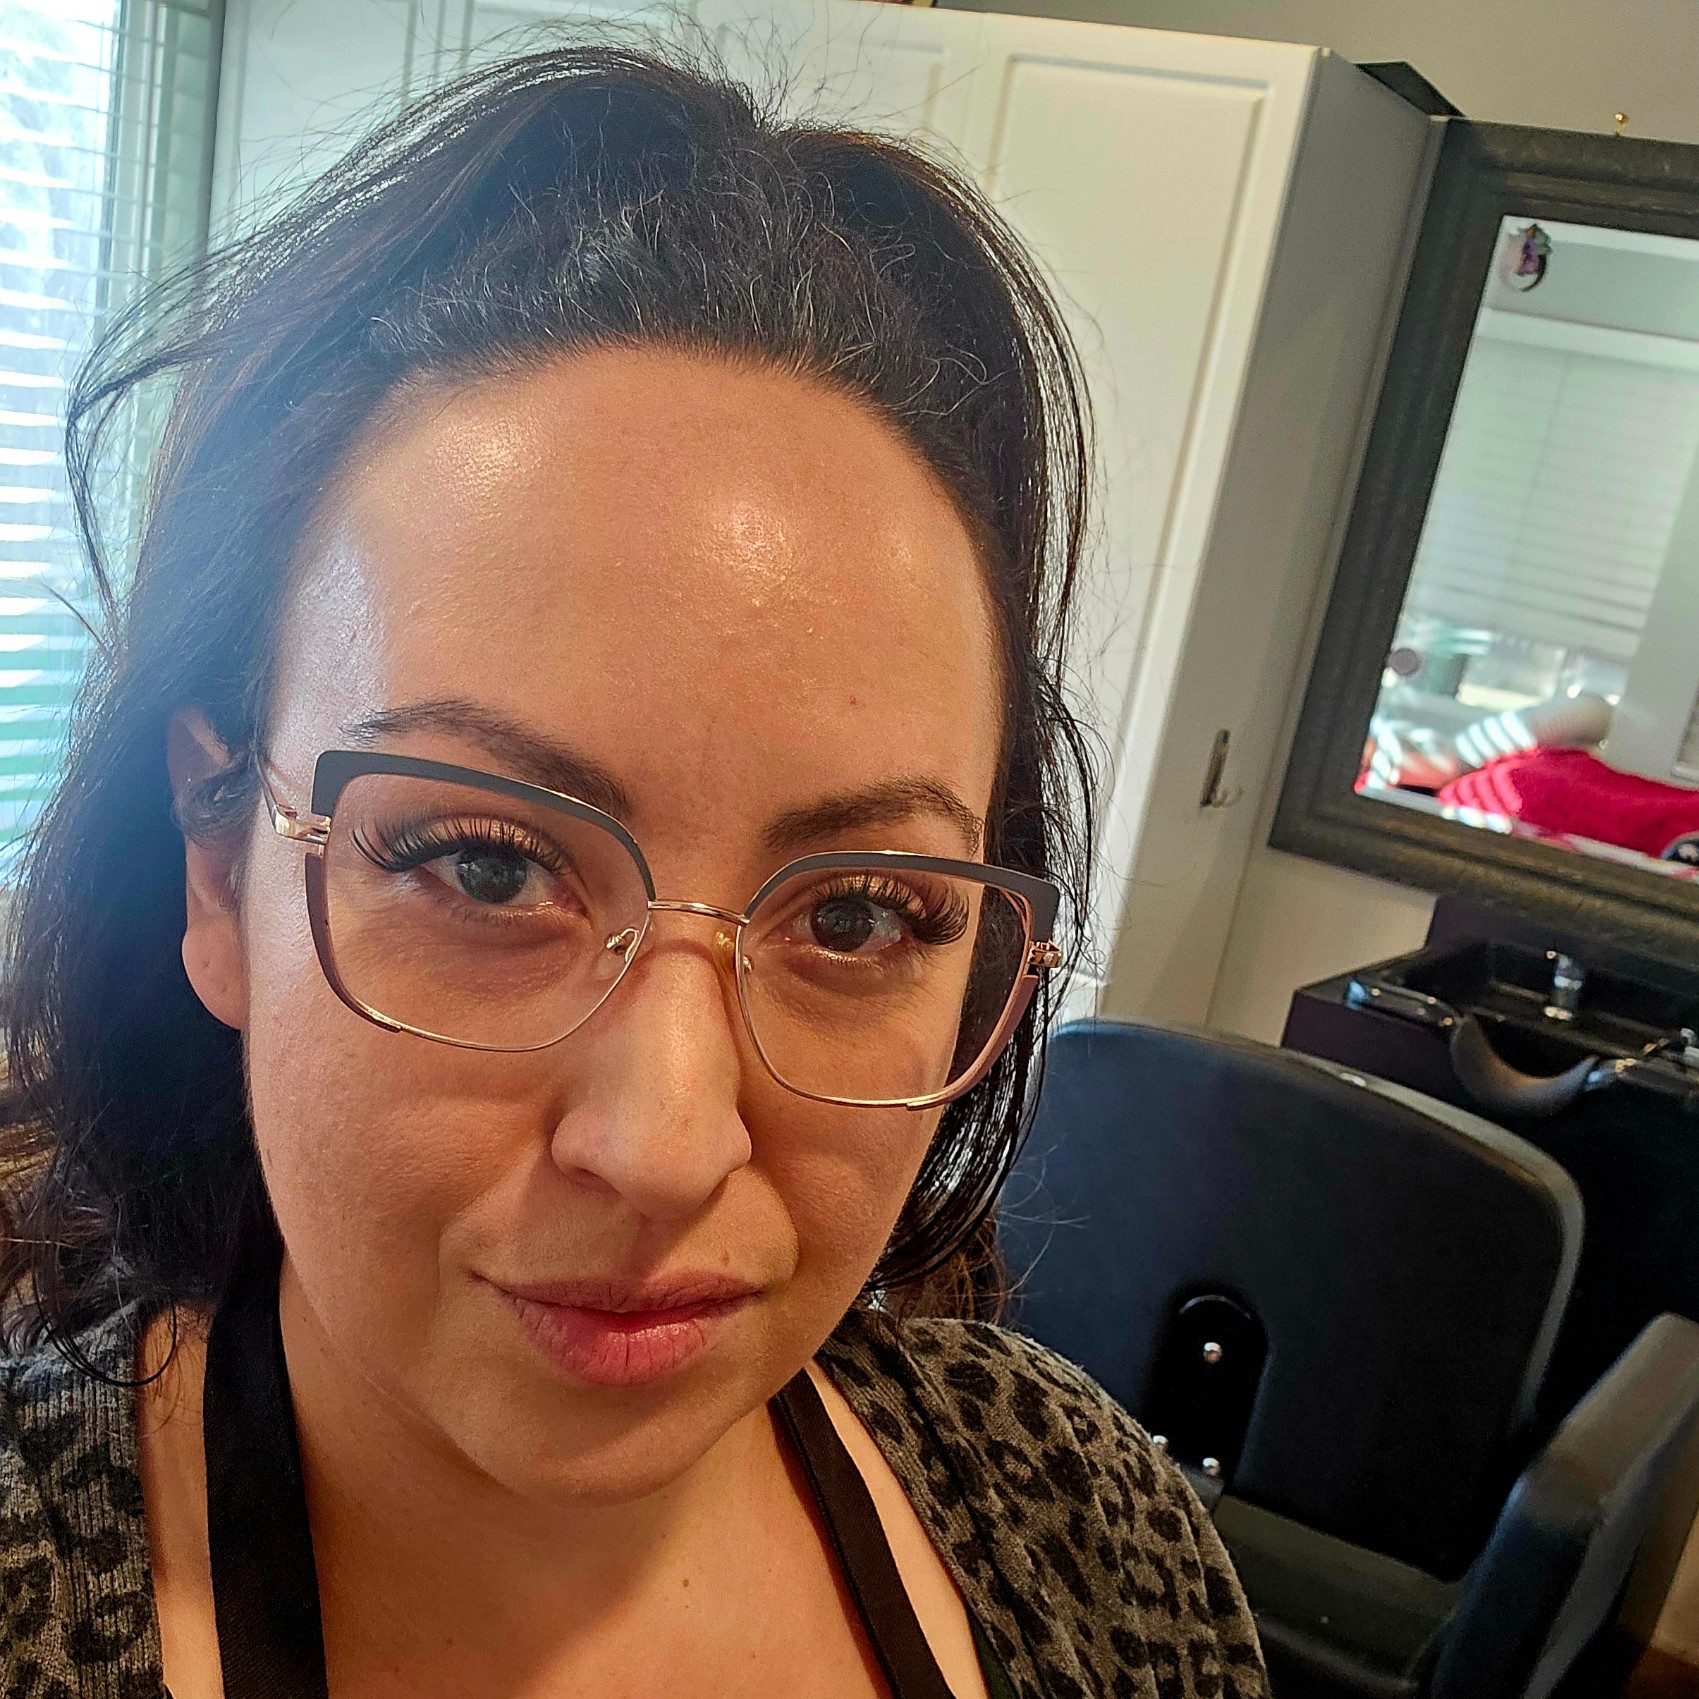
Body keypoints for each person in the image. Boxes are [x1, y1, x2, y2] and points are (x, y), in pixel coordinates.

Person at [0, 43, 1267, 1699]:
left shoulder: (1095, 1534)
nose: (666, 1147)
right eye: (484, 866)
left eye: (859, 914)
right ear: (220, 870)